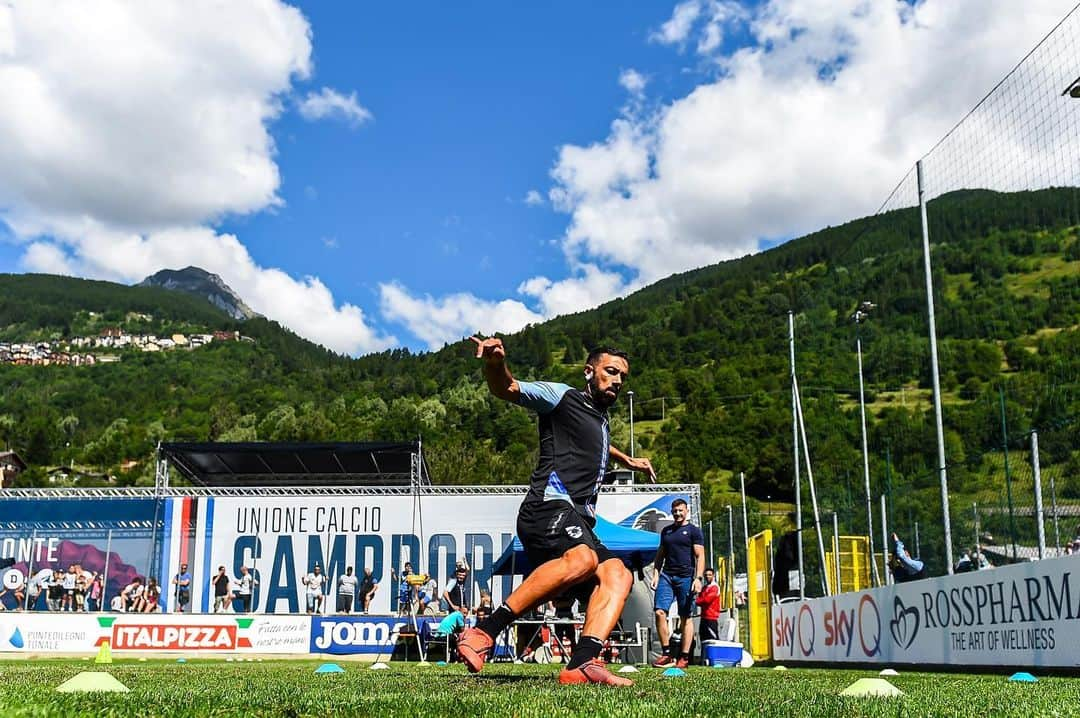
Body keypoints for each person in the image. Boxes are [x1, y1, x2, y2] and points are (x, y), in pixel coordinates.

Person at [457, 338, 656, 687]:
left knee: (618, 574)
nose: (618, 381)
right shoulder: (561, 397)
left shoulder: (601, 419)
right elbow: (508, 388)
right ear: (589, 371)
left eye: (623, 376)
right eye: (611, 372)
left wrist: (627, 460)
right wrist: (494, 364)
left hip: (578, 518)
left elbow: (599, 444)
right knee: (583, 559)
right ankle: (483, 632)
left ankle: (582, 662)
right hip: (546, 507)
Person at [650, 498, 705, 668]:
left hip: (686, 577)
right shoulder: (666, 531)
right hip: (667, 575)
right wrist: (656, 574)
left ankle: (684, 657)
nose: (678, 513)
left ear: (686, 511)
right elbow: (660, 554)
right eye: (675, 511)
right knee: (660, 612)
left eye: (680, 510)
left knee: (685, 617)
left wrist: (698, 578)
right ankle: (666, 654)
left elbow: (700, 556)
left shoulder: (694, 531)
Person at [695, 567, 722, 645]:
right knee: (703, 638)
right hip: (704, 617)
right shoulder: (705, 587)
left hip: (711, 618)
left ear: (713, 576)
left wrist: (697, 601)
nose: (707, 576)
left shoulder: (715, 587)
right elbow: (701, 598)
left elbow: (706, 600)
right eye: (706, 575)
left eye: (710, 575)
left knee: (713, 639)